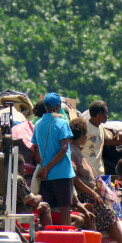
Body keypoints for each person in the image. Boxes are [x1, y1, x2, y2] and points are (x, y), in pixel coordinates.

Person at [69, 118, 122, 243]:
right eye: (86, 135)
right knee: (108, 215)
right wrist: (92, 193)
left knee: (110, 211)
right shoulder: (72, 152)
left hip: (89, 194)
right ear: (82, 136)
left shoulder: (77, 151)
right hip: (84, 196)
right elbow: (74, 178)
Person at [31, 92, 75, 226]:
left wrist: (44, 168)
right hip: (62, 174)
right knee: (65, 209)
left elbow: (36, 149)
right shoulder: (62, 123)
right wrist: (48, 167)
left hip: (46, 176)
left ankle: (48, 242)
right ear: (58, 106)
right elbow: (64, 149)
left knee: (46, 209)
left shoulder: (38, 124)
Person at [81, 100, 122, 175]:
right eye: (106, 113)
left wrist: (119, 133)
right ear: (100, 114)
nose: (107, 116)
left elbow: (110, 140)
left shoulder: (101, 127)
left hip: (100, 173)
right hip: (87, 173)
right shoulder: (85, 128)